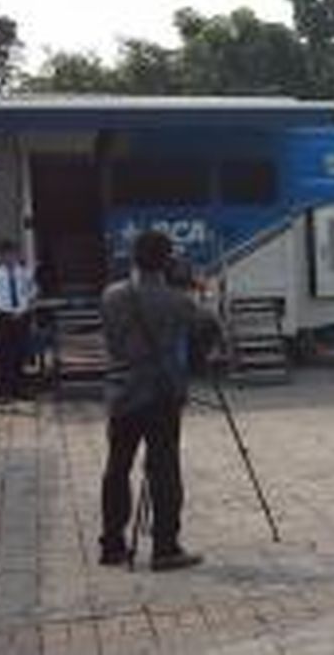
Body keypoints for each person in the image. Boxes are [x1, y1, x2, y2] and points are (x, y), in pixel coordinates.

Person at [99, 231, 216, 571]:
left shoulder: (111, 295)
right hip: (161, 395)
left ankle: (112, 544)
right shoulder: (177, 301)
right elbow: (210, 327)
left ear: (132, 257)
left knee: (116, 469)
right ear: (167, 260)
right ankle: (165, 547)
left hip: (121, 393)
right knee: (164, 470)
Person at [0, 240, 37, 404]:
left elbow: (32, 293)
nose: (10, 258)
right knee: (1, 354)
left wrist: (26, 310)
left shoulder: (25, 273)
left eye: (13, 254)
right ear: (0, 257)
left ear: (18, 255)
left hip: (21, 315)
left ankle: (19, 389)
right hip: (2, 315)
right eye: (6, 255)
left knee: (20, 353)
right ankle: (3, 391)